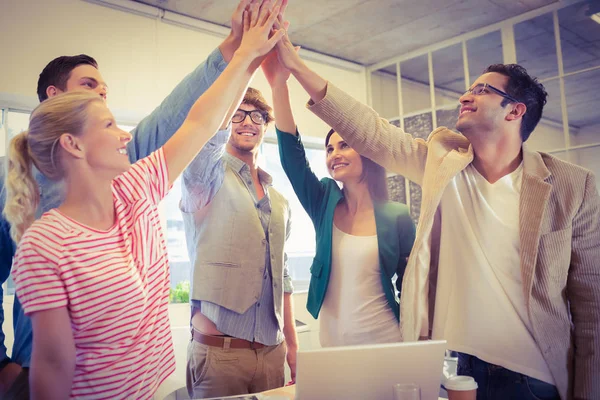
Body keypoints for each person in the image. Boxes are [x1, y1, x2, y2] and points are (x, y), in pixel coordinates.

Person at [272, 27, 600, 400]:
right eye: (469, 88)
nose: (466, 95)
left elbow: (592, 309)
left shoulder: (574, 186)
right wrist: (294, 66)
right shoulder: (442, 165)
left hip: (533, 378)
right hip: (456, 372)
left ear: (516, 110)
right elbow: (371, 130)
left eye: (482, 90)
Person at [2, 3, 284, 399]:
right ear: (73, 144)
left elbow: (200, 121)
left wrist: (247, 55)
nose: (124, 135)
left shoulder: (137, 186)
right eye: (109, 124)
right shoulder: (44, 245)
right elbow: (53, 369)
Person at [261, 50, 415, 347]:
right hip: (333, 341)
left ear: (366, 152)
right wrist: (279, 85)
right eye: (329, 149)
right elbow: (294, 160)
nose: (334, 154)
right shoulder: (324, 202)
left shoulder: (397, 216)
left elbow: (413, 286)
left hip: (387, 339)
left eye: (344, 145)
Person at [181, 89, 298, 398]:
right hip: (221, 356)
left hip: (273, 354)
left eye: (257, 115)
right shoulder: (205, 177)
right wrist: (244, 64)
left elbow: (282, 278)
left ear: (266, 125)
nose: (248, 122)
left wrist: (293, 347)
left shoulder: (281, 201)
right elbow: (205, 141)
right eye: (237, 113)